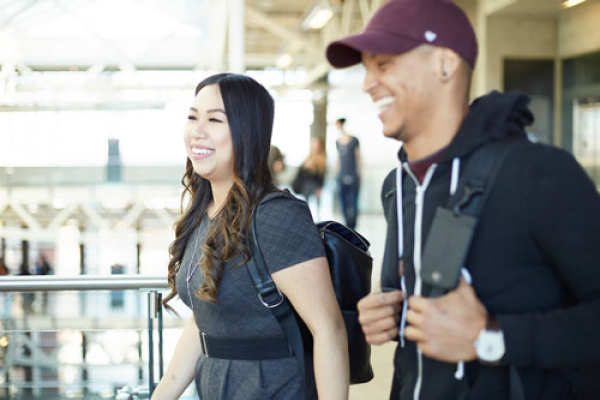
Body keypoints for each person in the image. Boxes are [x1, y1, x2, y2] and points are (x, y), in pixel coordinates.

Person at [326, 0, 600, 399]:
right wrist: (394, 315)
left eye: (383, 64)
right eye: (366, 68)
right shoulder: (399, 186)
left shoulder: (535, 173)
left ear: (444, 64)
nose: (367, 83)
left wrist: (491, 337)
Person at [152, 73, 348, 400]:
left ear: (248, 133)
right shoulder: (204, 213)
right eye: (192, 117)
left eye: (214, 119)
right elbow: (206, 320)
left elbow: (328, 330)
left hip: (275, 389)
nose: (197, 130)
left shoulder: (276, 215)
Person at [335, 118, 361, 229]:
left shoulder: (354, 140)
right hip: (341, 176)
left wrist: (360, 174)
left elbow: (359, 157)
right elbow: (338, 160)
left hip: (353, 175)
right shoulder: (337, 142)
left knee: (353, 201)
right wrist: (336, 173)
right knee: (343, 201)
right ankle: (347, 224)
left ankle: (353, 225)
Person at [292, 137, 327, 211]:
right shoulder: (307, 158)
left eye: (316, 145)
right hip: (304, 185)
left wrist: (320, 188)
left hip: (314, 185)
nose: (314, 147)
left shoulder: (322, 160)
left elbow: (321, 176)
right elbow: (301, 174)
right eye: (313, 145)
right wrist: (305, 167)